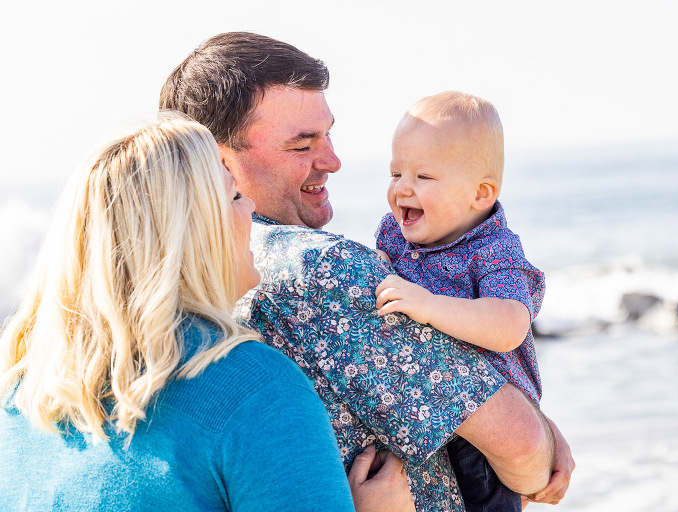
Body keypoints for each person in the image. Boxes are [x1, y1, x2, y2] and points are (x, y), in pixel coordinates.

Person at [160, 32, 574, 511]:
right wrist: (539, 431)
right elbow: (524, 452)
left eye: (328, 134)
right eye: (302, 145)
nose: (333, 161)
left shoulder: (180, 284)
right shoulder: (320, 269)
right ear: (217, 161)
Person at [0, 114, 414, 512]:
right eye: (233, 196)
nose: (249, 206)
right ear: (193, 231)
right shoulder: (258, 390)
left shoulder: (19, 394)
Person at [374, 91, 545, 511]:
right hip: (424, 404)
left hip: (486, 421)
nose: (402, 188)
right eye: (395, 173)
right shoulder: (394, 233)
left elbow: (509, 325)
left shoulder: (495, 249)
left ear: (481, 194)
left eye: (423, 177)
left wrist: (429, 305)